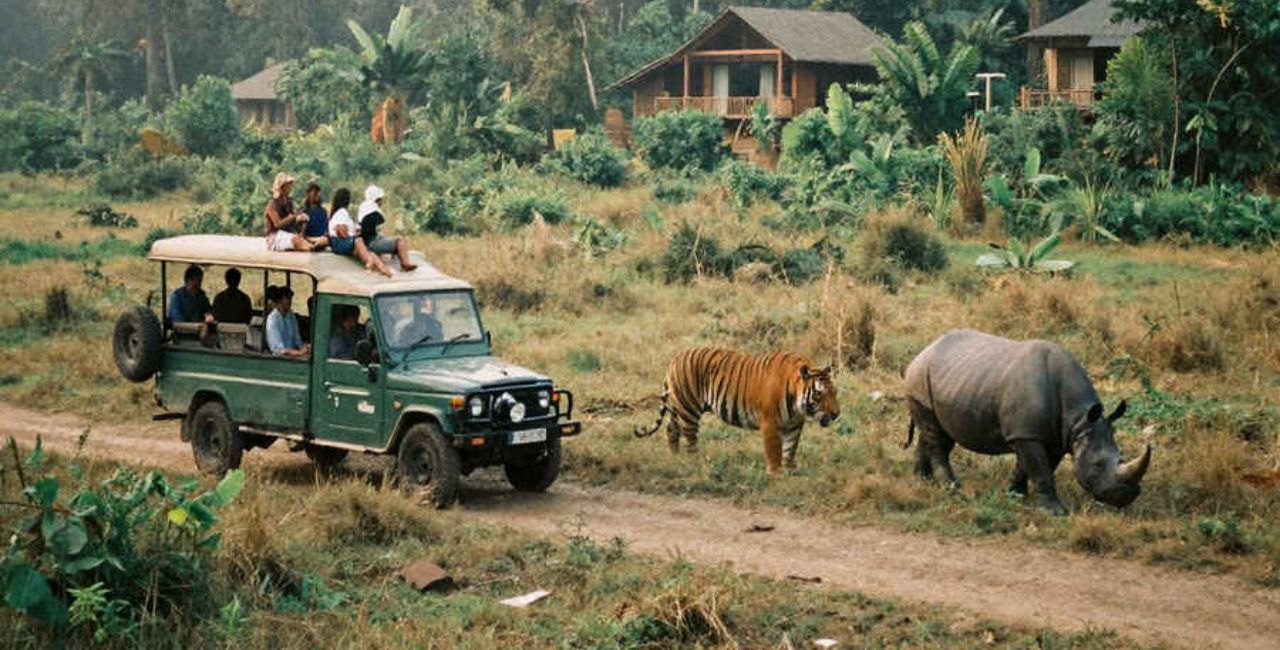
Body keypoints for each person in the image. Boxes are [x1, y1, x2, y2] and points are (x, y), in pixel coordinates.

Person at [327, 187, 392, 277]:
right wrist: (351, 240)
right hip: (339, 242)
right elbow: (340, 231)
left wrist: (355, 231)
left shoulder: (341, 213)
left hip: (342, 241)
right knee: (359, 241)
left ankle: (384, 270)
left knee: (370, 252)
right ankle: (369, 263)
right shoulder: (341, 212)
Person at [357, 185, 417, 271]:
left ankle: (397, 252)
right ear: (377, 199)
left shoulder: (364, 207)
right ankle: (405, 263)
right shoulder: (373, 211)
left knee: (384, 236)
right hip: (371, 243)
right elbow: (379, 221)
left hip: (366, 241)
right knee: (400, 240)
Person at [264, 172, 327, 252]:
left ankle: (311, 245)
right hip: (275, 236)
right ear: (282, 186)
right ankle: (311, 247)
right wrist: (292, 217)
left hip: (288, 234)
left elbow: (292, 221)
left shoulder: (288, 202)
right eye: (289, 184)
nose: (291, 186)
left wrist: (300, 220)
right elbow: (277, 224)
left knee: (320, 240)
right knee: (297, 240)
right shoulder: (272, 204)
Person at [266, 285, 310, 357]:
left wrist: (306, 348)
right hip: (279, 359)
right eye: (287, 298)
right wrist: (299, 353)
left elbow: (298, 341)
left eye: (290, 298)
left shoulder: (291, 317)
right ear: (279, 301)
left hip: (292, 355)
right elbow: (279, 350)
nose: (290, 301)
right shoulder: (272, 320)